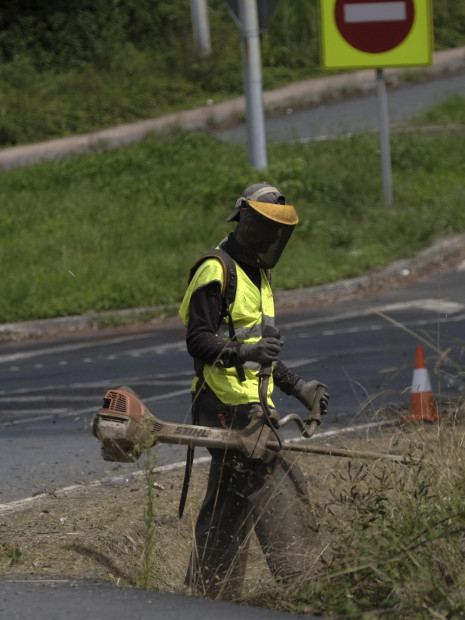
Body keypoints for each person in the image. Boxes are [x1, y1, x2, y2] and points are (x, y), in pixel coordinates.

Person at [178, 182, 330, 598]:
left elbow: (260, 352)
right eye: (263, 227)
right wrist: (245, 349)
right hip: (222, 403)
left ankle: (210, 590)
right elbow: (198, 340)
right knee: (269, 472)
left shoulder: (259, 276)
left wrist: (298, 386)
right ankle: (303, 583)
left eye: (275, 231)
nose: (269, 238)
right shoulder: (216, 269)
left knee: (230, 496)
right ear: (245, 218)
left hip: (251, 403)